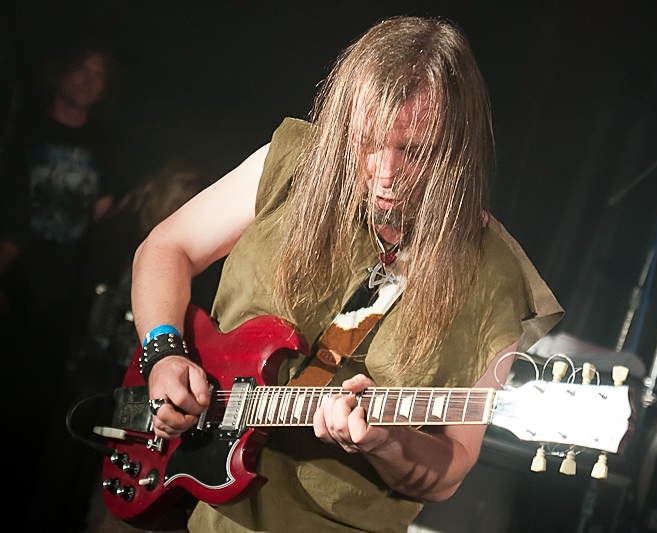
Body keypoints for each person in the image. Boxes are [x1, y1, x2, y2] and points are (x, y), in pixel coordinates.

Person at [116, 16, 563, 533]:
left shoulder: (495, 274)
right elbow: (165, 247)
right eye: (367, 142)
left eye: (413, 151)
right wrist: (165, 351)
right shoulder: (295, 165)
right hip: (200, 509)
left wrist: (382, 441)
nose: (385, 173)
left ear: (457, 147)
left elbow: (450, 468)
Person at [0, 36, 124, 532]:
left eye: (99, 74)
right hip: (14, 280)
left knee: (37, 413)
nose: (88, 81)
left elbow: (102, 220)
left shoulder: (105, 145)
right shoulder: (22, 130)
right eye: (81, 69)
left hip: (64, 298)